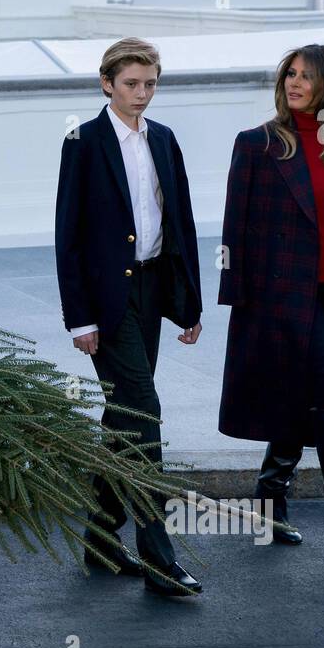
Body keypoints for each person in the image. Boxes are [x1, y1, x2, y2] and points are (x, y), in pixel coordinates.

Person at [217, 44, 324, 587]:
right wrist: (237, 301)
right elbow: (234, 229)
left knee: (304, 396)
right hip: (286, 299)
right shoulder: (259, 145)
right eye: (289, 74)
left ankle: (269, 503)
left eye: (306, 77)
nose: (294, 83)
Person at [55, 37, 204, 596]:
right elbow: (67, 237)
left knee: (122, 421)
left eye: (150, 84)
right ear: (106, 84)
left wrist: (187, 303)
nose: (141, 95)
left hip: (150, 291)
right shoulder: (83, 142)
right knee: (145, 417)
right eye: (131, 84)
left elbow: (181, 224)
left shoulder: (164, 140)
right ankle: (159, 555)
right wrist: (80, 319)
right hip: (107, 303)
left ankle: (98, 538)